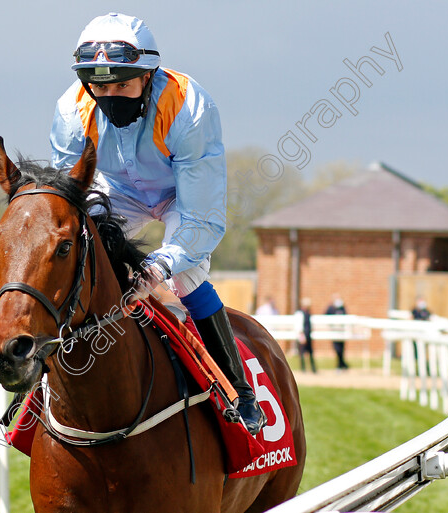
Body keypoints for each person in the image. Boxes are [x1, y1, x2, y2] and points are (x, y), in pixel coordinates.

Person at [50, 13, 265, 435]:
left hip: (179, 195)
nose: (110, 96)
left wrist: (159, 267)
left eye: (122, 85)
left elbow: (200, 216)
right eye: (100, 86)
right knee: (77, 257)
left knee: (186, 278)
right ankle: (46, 382)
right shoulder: (70, 109)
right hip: (115, 192)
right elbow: (68, 197)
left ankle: (240, 391)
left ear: (148, 77)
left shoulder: (189, 105)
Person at [325, 293, 349, 370]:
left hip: (342, 332)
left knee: (341, 349)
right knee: (337, 349)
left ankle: (341, 364)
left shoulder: (342, 308)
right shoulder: (331, 308)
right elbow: (325, 316)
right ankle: (342, 364)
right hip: (334, 332)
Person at [294, 297, 317, 373]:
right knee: (302, 352)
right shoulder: (300, 313)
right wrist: (301, 335)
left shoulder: (308, 313)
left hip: (308, 335)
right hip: (303, 335)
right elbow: (299, 325)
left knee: (310, 352)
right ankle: (303, 368)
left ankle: (313, 368)